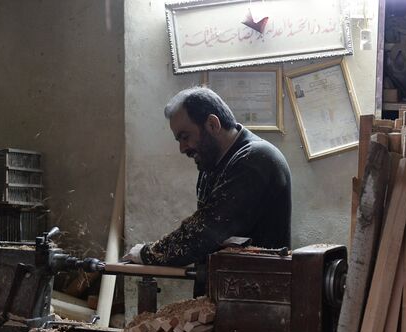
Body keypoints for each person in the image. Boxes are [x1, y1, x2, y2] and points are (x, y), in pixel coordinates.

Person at [123, 87, 292, 295]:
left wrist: (148, 253)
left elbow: (205, 232)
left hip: (256, 299)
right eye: (179, 140)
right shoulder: (211, 165)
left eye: (185, 137)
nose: (182, 148)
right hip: (227, 295)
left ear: (212, 124)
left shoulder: (255, 160)